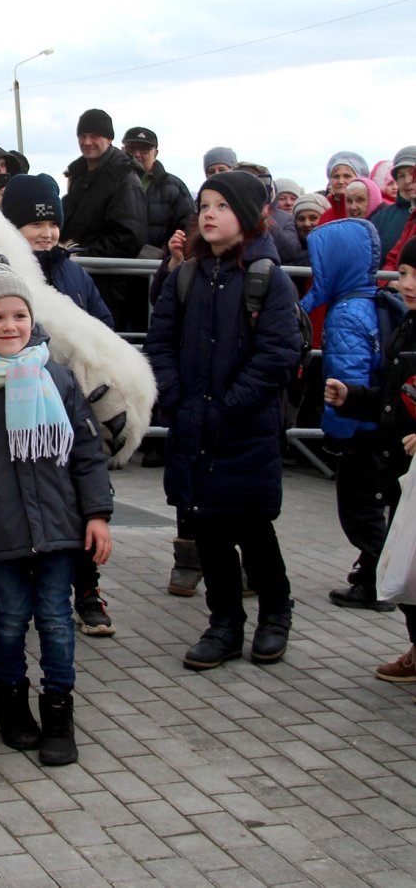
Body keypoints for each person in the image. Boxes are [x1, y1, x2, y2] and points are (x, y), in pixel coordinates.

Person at [0, 254, 113, 766]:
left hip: (60, 528)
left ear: (32, 320)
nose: (10, 326)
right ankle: (11, 705)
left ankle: (59, 712)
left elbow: (86, 453)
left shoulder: (57, 379)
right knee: (12, 620)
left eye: (19, 315)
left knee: (58, 622)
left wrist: (98, 514)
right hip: (2, 531)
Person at [145, 171, 300, 670]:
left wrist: (230, 405)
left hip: (244, 430)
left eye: (221, 206)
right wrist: (175, 395)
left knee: (253, 529)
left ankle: (275, 612)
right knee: (207, 532)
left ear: (249, 217)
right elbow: (161, 341)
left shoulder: (267, 278)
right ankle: (225, 623)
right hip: (194, 427)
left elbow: (278, 353)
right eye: (203, 206)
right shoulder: (187, 275)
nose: (208, 215)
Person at [1, 172, 115, 638]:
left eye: (51, 223)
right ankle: (13, 600)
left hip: (70, 407)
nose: (45, 232)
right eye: (33, 224)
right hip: (20, 408)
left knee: (82, 501)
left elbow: (101, 328)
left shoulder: (74, 273)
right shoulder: (2, 272)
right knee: (20, 507)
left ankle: (87, 591)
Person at [324, 236, 416, 682]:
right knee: (405, 554)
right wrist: (353, 398)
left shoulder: (366, 313)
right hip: (398, 461)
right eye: (404, 274)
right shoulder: (406, 321)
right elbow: (393, 397)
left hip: (401, 459)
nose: (407, 284)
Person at [300, 220, 390, 608]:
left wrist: (337, 434)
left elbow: (345, 384)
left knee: (360, 511)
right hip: (378, 426)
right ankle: (373, 575)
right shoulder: (372, 302)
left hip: (360, 431)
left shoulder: (345, 313)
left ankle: (378, 583)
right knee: (370, 506)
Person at [61, 108, 147, 328]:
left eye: (94, 135)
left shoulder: (124, 177)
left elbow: (129, 236)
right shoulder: (79, 174)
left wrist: (81, 255)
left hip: (107, 284)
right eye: (83, 135)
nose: (87, 142)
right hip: (80, 277)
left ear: (109, 138)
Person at [121, 126, 195, 251]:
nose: (137, 154)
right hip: (109, 265)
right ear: (122, 150)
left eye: (144, 150)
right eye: (131, 148)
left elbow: (188, 229)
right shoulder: (106, 183)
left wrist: (161, 255)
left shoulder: (175, 188)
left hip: (158, 266)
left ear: (155, 153)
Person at [374, 146, 416, 269]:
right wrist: (386, 282)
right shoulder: (382, 217)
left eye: (412, 173)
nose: (408, 180)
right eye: (401, 176)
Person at [318, 151, 369, 225]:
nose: (341, 181)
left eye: (347, 176)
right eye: (336, 176)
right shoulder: (325, 217)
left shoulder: (368, 212)